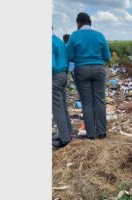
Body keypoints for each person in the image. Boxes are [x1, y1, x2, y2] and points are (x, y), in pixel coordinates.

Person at [66, 12, 111, 140]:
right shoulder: (99, 35)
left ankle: (90, 134)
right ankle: (101, 132)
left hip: (81, 70)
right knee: (100, 101)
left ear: (78, 23)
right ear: (90, 22)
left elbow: (69, 56)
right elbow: (107, 57)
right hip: (98, 70)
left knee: (86, 102)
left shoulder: (74, 36)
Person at [52, 28, 72, 148]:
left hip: (55, 76)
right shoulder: (59, 41)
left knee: (57, 109)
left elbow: (51, 65)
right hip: (63, 75)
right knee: (63, 107)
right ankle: (67, 132)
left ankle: (64, 139)